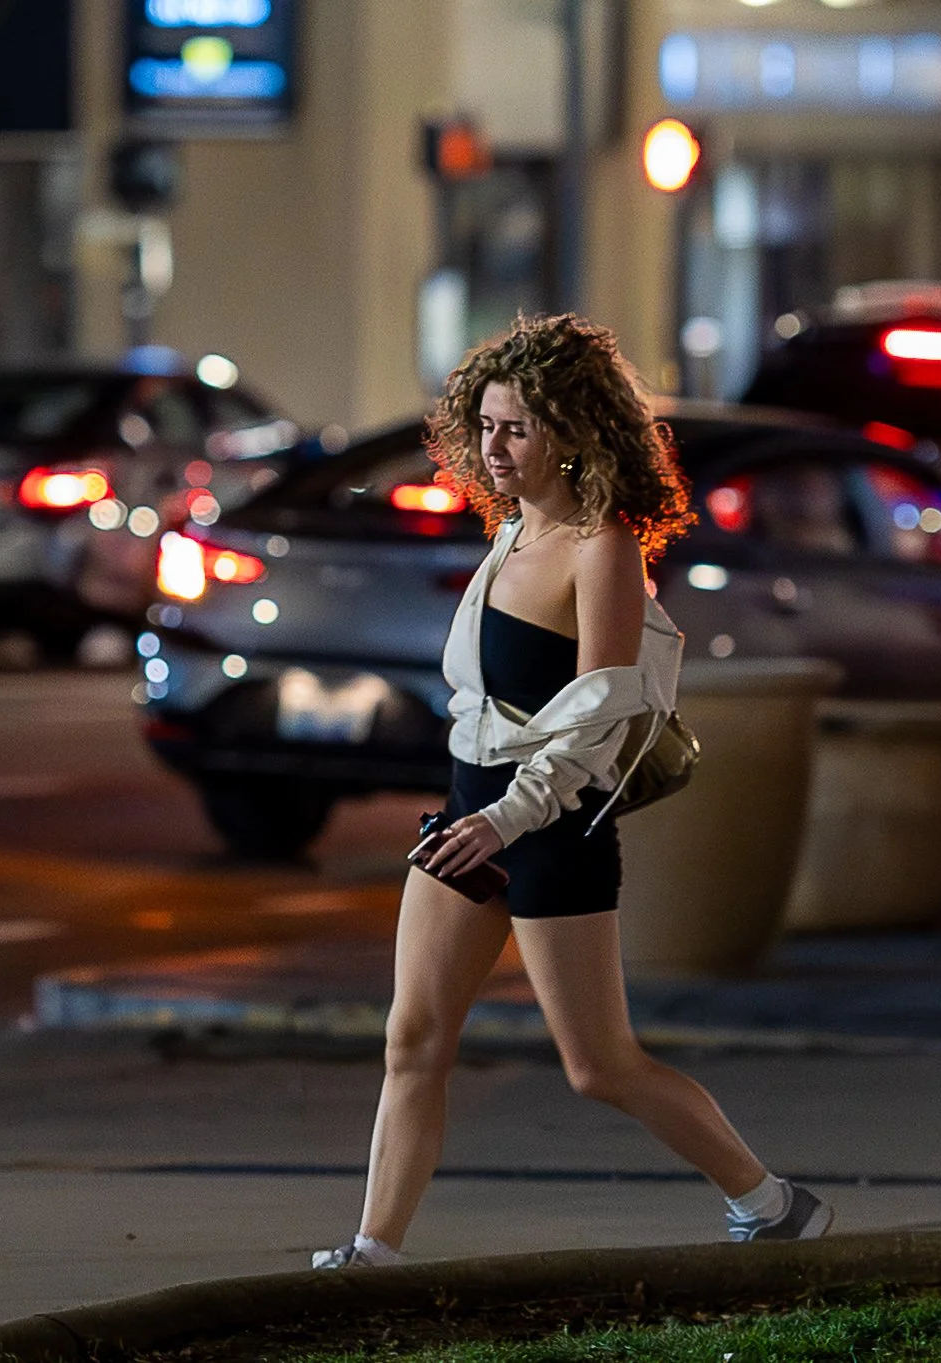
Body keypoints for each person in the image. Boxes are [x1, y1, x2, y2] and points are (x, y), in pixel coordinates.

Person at [312, 314, 830, 1269]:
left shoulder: (603, 551)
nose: (493, 448)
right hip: (470, 815)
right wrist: (479, 813)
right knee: (411, 1038)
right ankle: (372, 1252)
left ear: (574, 432)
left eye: (515, 428)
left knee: (599, 1067)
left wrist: (507, 820)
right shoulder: (508, 534)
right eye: (486, 426)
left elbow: (597, 723)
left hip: (550, 827)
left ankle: (768, 1199)